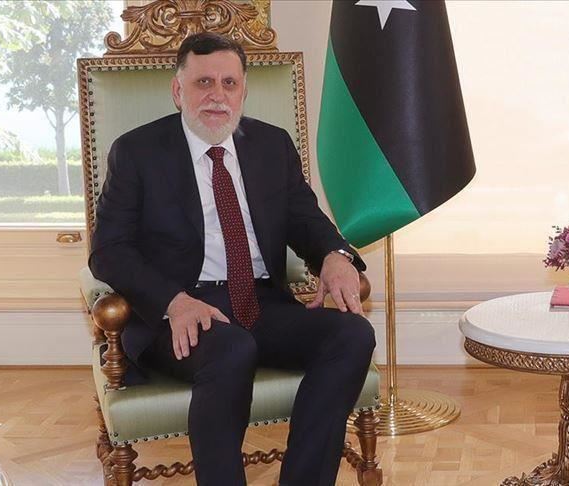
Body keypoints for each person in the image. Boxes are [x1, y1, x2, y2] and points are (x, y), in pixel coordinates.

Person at [89, 32, 376, 486]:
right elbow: (109, 250)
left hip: (261, 303)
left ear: (243, 90)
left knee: (353, 335)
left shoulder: (271, 144)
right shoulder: (137, 152)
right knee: (231, 349)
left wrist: (336, 256)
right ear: (178, 90)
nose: (217, 95)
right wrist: (173, 301)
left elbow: (305, 220)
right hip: (180, 311)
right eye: (203, 82)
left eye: (229, 83)